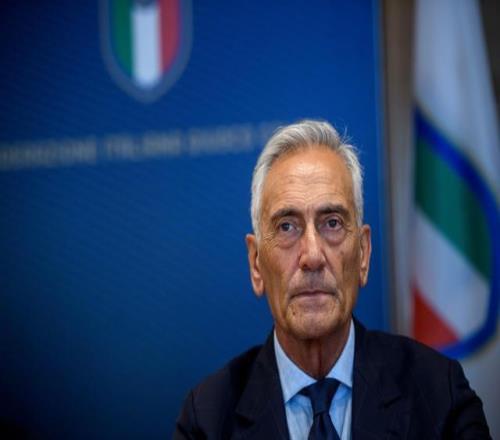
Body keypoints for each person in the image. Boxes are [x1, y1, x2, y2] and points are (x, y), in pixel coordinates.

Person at [174, 120, 490, 439]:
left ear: (363, 253)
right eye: (286, 227)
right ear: (256, 263)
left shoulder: (439, 394)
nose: (312, 256)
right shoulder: (207, 419)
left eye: (333, 223)